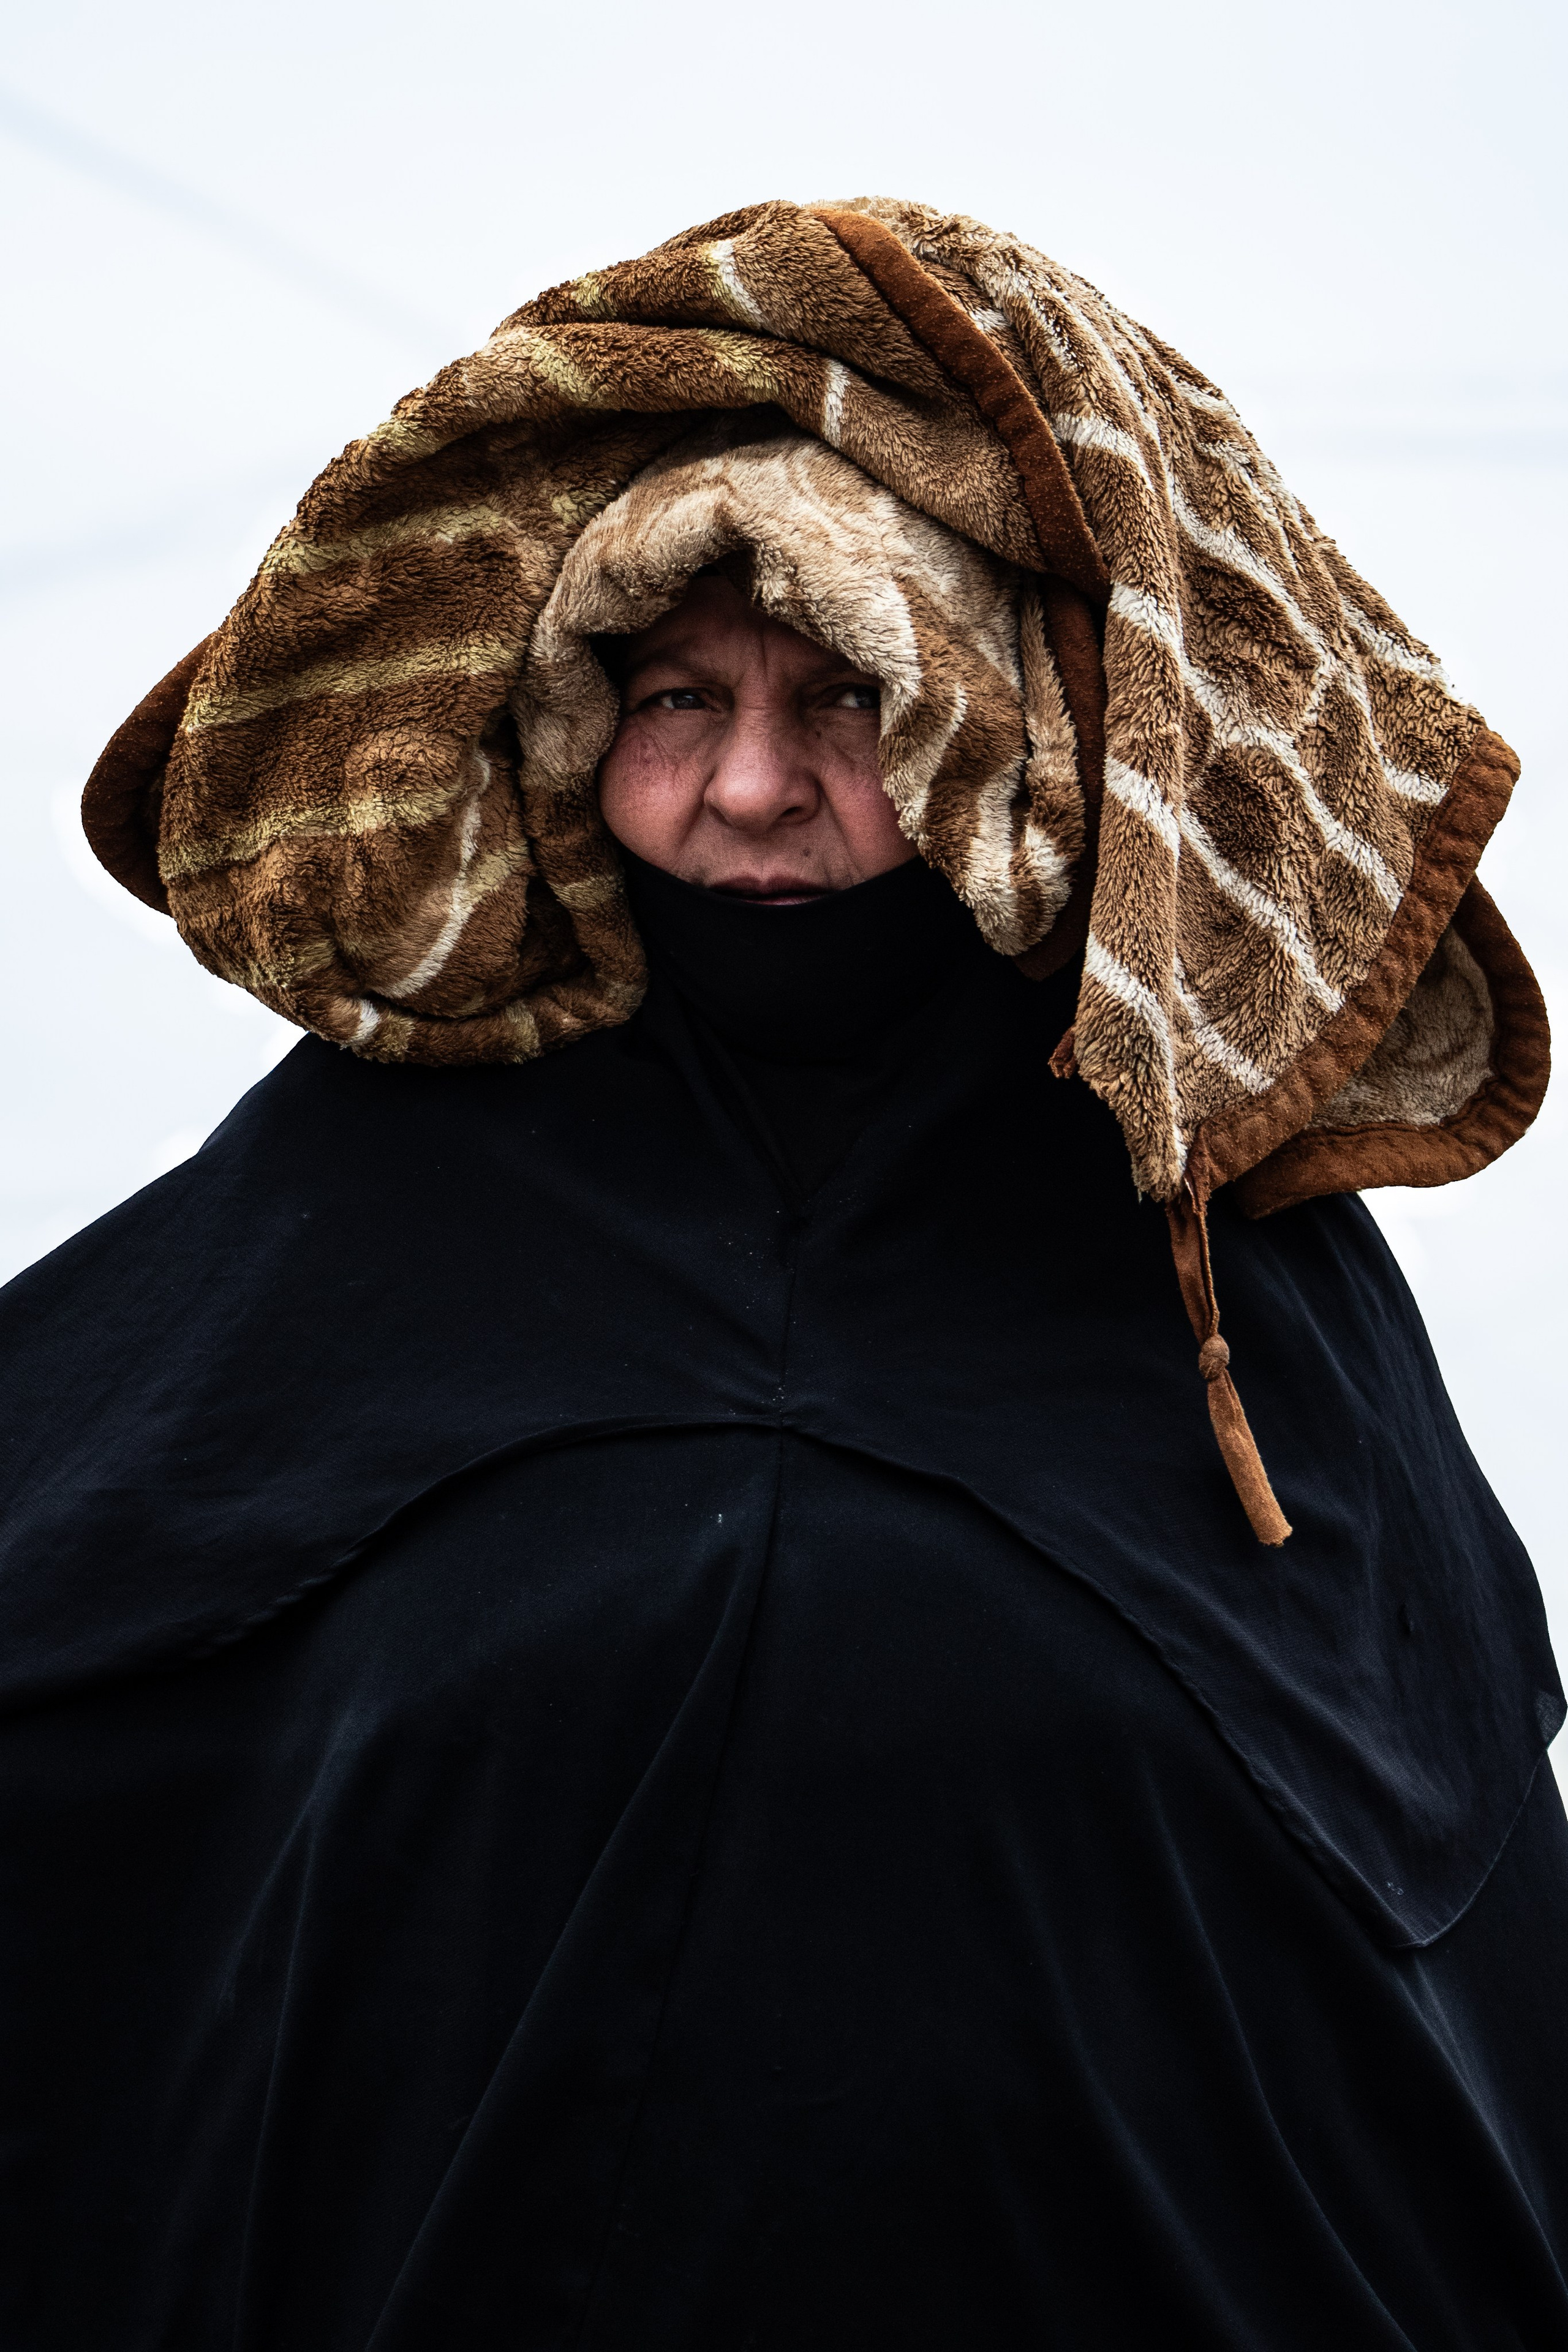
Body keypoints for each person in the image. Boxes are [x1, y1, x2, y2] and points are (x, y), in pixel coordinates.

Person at [2, 197, 1565, 2350]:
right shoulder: (360, 1212)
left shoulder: (1225, 1298)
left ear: (1011, 743)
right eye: (675, 697)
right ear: (570, 733)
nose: (750, 786)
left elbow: (1417, 2008)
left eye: (848, 694)